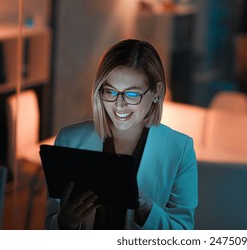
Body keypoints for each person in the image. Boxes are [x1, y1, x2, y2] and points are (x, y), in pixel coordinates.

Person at [45, 39, 198, 230]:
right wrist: (65, 222)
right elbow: (50, 226)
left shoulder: (180, 149)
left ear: (156, 92)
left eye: (132, 95)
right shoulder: (69, 140)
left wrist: (146, 208)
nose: (119, 105)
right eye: (110, 91)